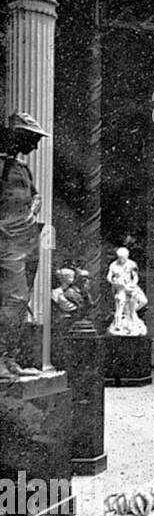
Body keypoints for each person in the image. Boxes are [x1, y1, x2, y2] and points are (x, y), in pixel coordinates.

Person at [0, 112, 47, 379]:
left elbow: (34, 193)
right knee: (12, 299)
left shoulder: (21, 168)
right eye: (32, 138)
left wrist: (36, 203)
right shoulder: (1, 167)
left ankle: (10, 358)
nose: (36, 145)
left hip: (27, 239)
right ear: (18, 136)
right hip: (7, 241)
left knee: (21, 301)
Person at [106, 246, 148, 336]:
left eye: (124, 258)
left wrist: (132, 284)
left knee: (144, 301)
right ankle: (119, 324)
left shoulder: (131, 264)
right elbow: (109, 277)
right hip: (120, 287)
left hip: (131, 286)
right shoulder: (113, 265)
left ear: (127, 256)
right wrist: (115, 282)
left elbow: (135, 277)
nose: (122, 260)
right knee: (120, 305)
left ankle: (129, 312)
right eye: (120, 258)